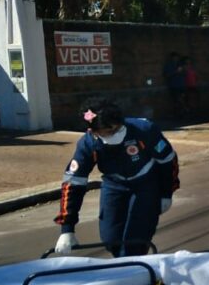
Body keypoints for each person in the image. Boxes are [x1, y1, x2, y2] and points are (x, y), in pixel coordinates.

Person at [54, 98, 180, 257]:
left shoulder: (144, 130)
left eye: (117, 129)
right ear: (94, 132)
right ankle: (124, 263)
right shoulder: (88, 144)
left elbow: (168, 161)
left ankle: (133, 270)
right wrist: (67, 229)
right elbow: (73, 183)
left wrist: (166, 193)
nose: (115, 134)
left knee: (136, 240)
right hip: (114, 185)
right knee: (111, 239)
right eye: (109, 132)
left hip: (145, 184)